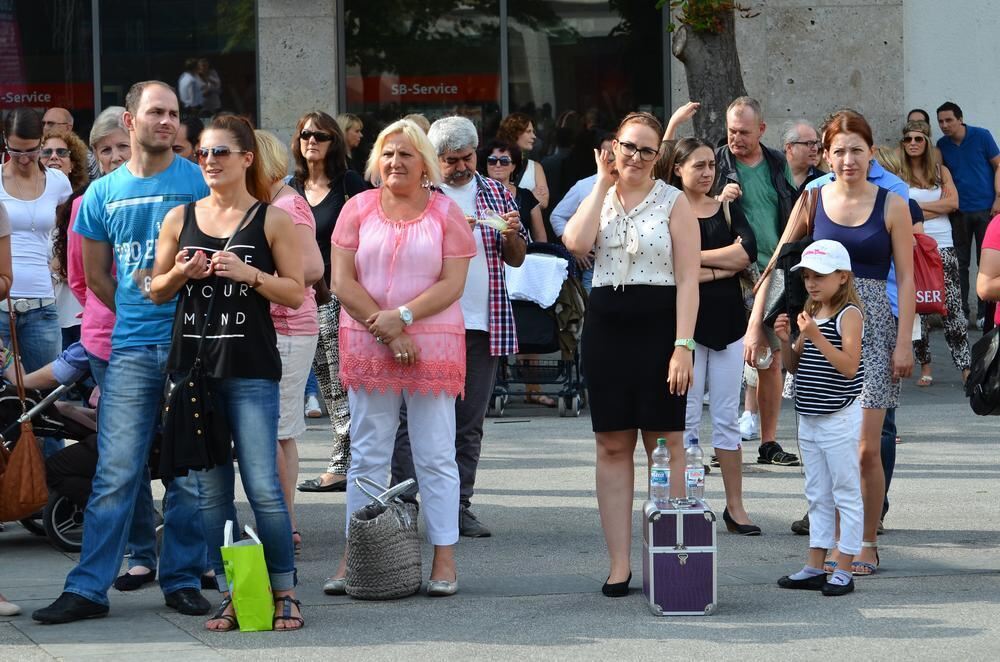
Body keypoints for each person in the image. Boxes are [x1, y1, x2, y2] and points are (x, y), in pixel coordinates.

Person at [32, 81, 211, 625]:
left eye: (174, 115)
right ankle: (88, 588)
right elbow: (94, 276)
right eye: (156, 112)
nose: (167, 122)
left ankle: (180, 578)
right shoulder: (102, 195)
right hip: (131, 344)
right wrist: (138, 306)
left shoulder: (199, 182)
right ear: (130, 121)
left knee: (186, 471)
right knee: (116, 470)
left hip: (191, 345)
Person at [150, 114, 305, 631]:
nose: (210, 161)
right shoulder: (180, 217)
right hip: (194, 373)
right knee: (211, 494)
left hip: (249, 368)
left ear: (246, 158)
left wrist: (249, 273)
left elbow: (296, 291)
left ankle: (284, 591)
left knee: (262, 486)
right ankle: (235, 594)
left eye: (220, 152)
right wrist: (180, 272)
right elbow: (154, 289)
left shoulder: (272, 219)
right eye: (203, 154)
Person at [760, 110, 914, 576]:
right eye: (839, 150)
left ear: (872, 154)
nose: (849, 159)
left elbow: (906, 279)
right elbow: (780, 262)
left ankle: (866, 540)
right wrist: (757, 325)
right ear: (825, 155)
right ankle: (830, 543)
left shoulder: (892, 204)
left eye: (857, 150)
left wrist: (904, 341)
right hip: (821, 325)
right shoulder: (813, 197)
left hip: (874, 329)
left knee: (867, 448)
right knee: (827, 448)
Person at [326, 119, 476, 597]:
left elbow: (453, 283)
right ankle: (357, 554)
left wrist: (405, 316)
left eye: (406, 154)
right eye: (388, 153)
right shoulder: (358, 208)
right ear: (376, 160)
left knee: (434, 454)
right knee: (367, 453)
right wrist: (389, 330)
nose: (395, 162)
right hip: (370, 338)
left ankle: (444, 559)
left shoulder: (445, 212)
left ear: (424, 163)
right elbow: (341, 282)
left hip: (432, 343)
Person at [563, 111, 700, 597]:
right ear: (612, 147)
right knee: (612, 445)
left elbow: (688, 280)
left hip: (661, 330)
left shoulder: (674, 201)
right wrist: (601, 184)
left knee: (665, 448)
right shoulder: (595, 195)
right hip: (607, 332)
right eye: (629, 147)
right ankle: (619, 564)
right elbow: (576, 245)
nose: (636, 158)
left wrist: (683, 346)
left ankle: (669, 556)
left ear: (658, 155)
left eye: (647, 150)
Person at [387, 116, 527, 544]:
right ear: (435, 158)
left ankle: (458, 504)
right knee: (412, 421)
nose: (461, 167)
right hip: (429, 324)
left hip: (483, 323)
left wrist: (514, 234)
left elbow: (516, 259)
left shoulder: (497, 192)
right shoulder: (420, 196)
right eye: (450, 161)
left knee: (469, 422)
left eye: (467, 158)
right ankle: (405, 505)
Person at [667, 137, 760, 536]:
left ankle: (735, 507)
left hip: (727, 325)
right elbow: (667, 264)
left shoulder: (726, 206)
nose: (707, 173)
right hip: (685, 329)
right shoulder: (668, 208)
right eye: (698, 166)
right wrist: (721, 262)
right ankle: (687, 502)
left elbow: (747, 254)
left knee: (726, 418)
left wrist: (694, 262)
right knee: (685, 419)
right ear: (678, 169)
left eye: (711, 166)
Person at [774, 239, 864, 597]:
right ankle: (814, 563)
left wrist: (813, 334)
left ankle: (844, 566)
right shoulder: (811, 312)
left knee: (845, 491)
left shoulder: (849, 314)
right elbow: (795, 366)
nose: (812, 283)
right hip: (809, 415)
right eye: (808, 276)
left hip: (839, 414)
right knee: (816, 493)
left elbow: (848, 366)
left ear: (843, 277)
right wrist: (786, 340)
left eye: (821, 276)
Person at [715, 97, 800, 466]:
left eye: (744, 132)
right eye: (732, 131)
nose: (736, 138)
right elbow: (690, 202)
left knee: (770, 359)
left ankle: (768, 443)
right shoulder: (716, 162)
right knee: (728, 357)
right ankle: (725, 443)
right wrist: (721, 198)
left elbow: (791, 212)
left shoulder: (778, 164)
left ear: (761, 130)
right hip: (731, 270)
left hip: (775, 270)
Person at [288, 111, 367, 493]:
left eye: (320, 135)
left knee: (340, 381)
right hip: (304, 297)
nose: (311, 141)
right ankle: (348, 459)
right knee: (324, 380)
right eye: (305, 134)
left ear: (334, 141)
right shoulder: (292, 186)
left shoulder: (349, 184)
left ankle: (343, 463)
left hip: (342, 295)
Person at [255, 128, 324, 555]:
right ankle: (285, 521)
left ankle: (284, 524)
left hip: (289, 325)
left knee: (276, 430)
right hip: (283, 326)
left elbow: (313, 268)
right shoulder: (279, 202)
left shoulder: (287, 205)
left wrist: (257, 280)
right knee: (280, 431)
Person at [1, 108, 73, 457]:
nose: (25, 158)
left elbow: (65, 234)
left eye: (32, 150)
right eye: (16, 151)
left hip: (43, 306)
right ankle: (11, 486)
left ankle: (51, 489)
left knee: (46, 401)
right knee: (5, 402)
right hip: (2, 306)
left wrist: (59, 260)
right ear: (5, 144)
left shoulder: (58, 182)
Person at [900, 120, 970, 384]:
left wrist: (916, 208)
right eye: (908, 140)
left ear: (927, 142)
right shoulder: (897, 176)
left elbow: (953, 203)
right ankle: (925, 367)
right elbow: (900, 209)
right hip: (914, 246)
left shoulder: (941, 172)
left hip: (943, 245)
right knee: (918, 307)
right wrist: (934, 206)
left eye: (919, 139)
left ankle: (965, 367)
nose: (913, 144)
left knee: (952, 307)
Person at [936, 101, 1000, 329]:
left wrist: (998, 198)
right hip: (959, 213)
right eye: (941, 121)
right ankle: (962, 313)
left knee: (987, 266)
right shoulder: (941, 145)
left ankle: (985, 314)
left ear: (960, 119)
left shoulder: (982, 136)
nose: (944, 125)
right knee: (960, 264)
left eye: (949, 120)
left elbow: (999, 165)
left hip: (986, 211)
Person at [550, 132, 616, 292]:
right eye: (604, 154)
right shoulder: (584, 186)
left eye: (613, 154)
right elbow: (557, 216)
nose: (609, 159)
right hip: (593, 264)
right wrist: (576, 249)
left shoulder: (633, 186)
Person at [42, 129, 89, 354]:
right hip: (39, 314)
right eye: (46, 152)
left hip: (80, 312)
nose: (53, 156)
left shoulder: (87, 201)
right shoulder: (25, 208)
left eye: (62, 152)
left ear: (73, 163)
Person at [498, 112, 550, 209]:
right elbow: (494, 199)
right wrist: (531, 195)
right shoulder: (495, 164)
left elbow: (544, 202)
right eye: (528, 131)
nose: (534, 136)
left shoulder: (535, 167)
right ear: (515, 133)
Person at [44, 107, 102, 180]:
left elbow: (95, 187)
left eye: (51, 124)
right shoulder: (35, 152)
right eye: (43, 123)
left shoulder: (86, 157)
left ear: (68, 128)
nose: (45, 127)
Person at [782, 119, 824, 192]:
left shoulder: (823, 182)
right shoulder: (771, 175)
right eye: (809, 143)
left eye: (816, 143)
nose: (815, 149)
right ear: (789, 148)